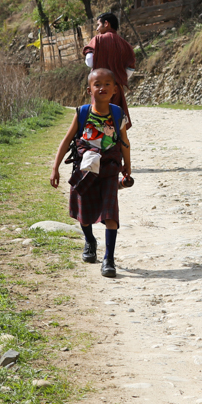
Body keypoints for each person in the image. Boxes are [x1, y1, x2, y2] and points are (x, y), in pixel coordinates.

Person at [50, 68, 132, 278]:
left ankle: (109, 259)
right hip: (84, 169)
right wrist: (55, 167)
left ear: (115, 90)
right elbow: (67, 140)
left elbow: (124, 142)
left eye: (107, 84)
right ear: (89, 90)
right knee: (83, 213)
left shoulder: (117, 114)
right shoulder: (82, 113)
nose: (102, 88)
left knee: (110, 213)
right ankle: (89, 241)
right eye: (97, 84)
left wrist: (127, 166)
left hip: (109, 170)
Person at [83, 12, 136, 128]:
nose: (97, 29)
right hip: (116, 88)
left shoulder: (97, 40)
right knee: (117, 121)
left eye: (98, 25)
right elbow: (130, 68)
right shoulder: (125, 44)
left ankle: (100, 143)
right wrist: (117, 79)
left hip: (99, 89)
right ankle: (117, 144)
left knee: (99, 119)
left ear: (106, 24)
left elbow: (89, 61)